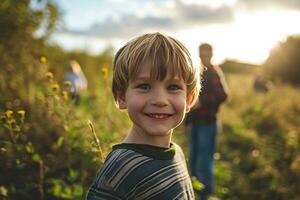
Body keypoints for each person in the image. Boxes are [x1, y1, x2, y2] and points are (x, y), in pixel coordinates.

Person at [86, 32, 201, 200]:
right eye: (144, 86)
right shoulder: (120, 168)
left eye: (173, 87)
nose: (160, 100)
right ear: (122, 97)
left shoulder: (177, 153)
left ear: (189, 99)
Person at [185, 43, 229, 199]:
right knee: (194, 160)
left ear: (211, 54)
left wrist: (202, 101)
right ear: (198, 54)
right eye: (201, 54)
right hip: (195, 124)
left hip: (208, 124)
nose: (204, 57)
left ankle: (207, 194)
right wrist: (187, 123)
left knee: (205, 162)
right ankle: (195, 192)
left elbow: (223, 96)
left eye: (207, 54)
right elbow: (188, 99)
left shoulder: (214, 72)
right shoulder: (196, 72)